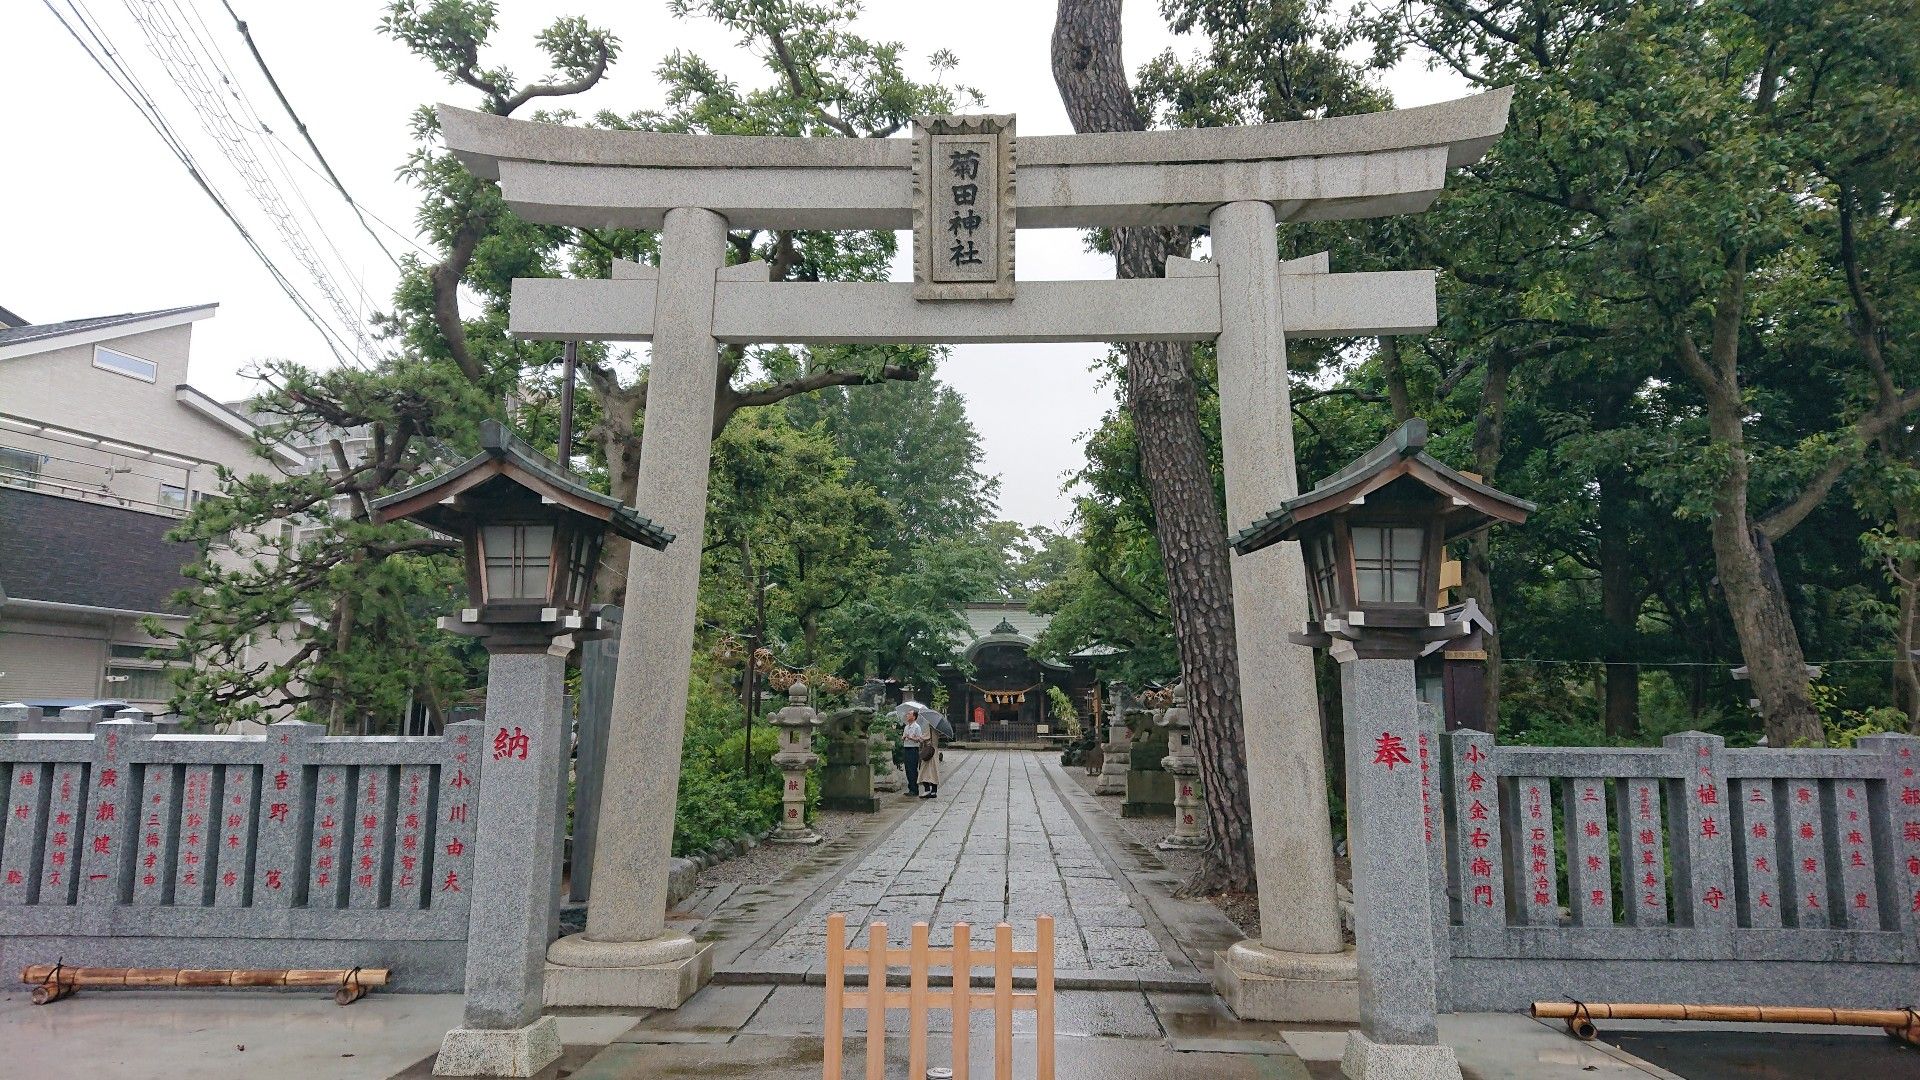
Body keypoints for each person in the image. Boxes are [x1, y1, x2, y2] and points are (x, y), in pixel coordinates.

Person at [900, 710, 925, 798]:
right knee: (907, 769)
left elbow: (920, 739)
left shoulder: (917, 727)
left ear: (914, 717)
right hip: (906, 748)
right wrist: (903, 737)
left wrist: (911, 738)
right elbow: (903, 736)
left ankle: (915, 789)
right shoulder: (906, 727)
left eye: (909, 714)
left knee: (912, 769)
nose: (907, 715)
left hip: (913, 749)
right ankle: (910, 788)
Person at [918, 716, 940, 799]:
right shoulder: (937, 728)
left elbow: (926, 737)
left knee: (924, 771)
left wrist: (919, 737)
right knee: (934, 771)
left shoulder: (929, 727)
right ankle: (934, 791)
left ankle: (927, 790)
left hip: (928, 751)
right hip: (935, 750)